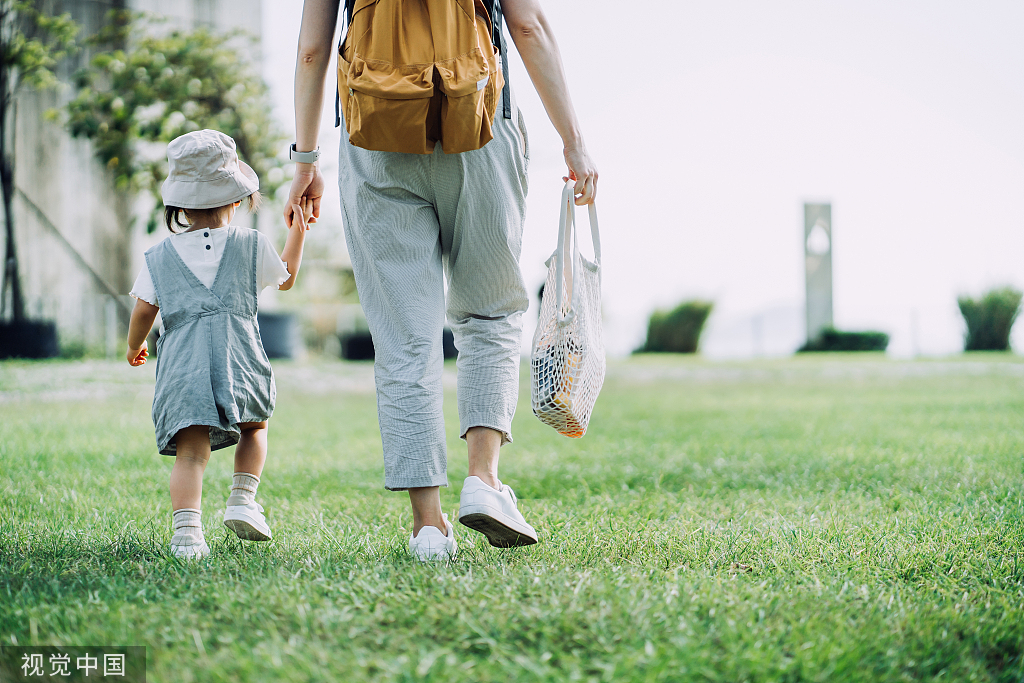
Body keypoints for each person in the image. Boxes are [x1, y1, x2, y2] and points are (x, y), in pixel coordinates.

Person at [285, 0, 598, 561]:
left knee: (405, 339)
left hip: (375, 141)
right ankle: (483, 479)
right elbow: (527, 27)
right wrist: (573, 142)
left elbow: (312, 51)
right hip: (478, 126)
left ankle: (427, 527)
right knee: (490, 312)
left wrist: (305, 161)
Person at [127, 129, 309, 559]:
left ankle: (187, 535)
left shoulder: (160, 255)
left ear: (179, 205)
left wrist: (134, 346)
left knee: (191, 454)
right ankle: (243, 499)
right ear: (236, 198)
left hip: (185, 368)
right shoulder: (251, 244)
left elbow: (142, 311)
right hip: (240, 357)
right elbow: (286, 276)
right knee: (255, 426)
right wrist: (297, 232)